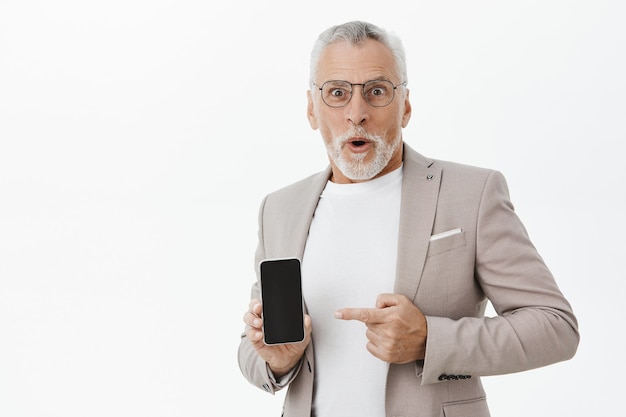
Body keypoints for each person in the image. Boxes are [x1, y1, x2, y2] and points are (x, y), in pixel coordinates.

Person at [238, 20, 579, 417]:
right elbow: (251, 346)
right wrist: (277, 358)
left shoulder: (471, 193)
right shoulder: (280, 208)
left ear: (406, 106)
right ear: (312, 109)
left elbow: (556, 327)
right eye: (337, 93)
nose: (357, 113)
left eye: (377, 91)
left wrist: (430, 340)